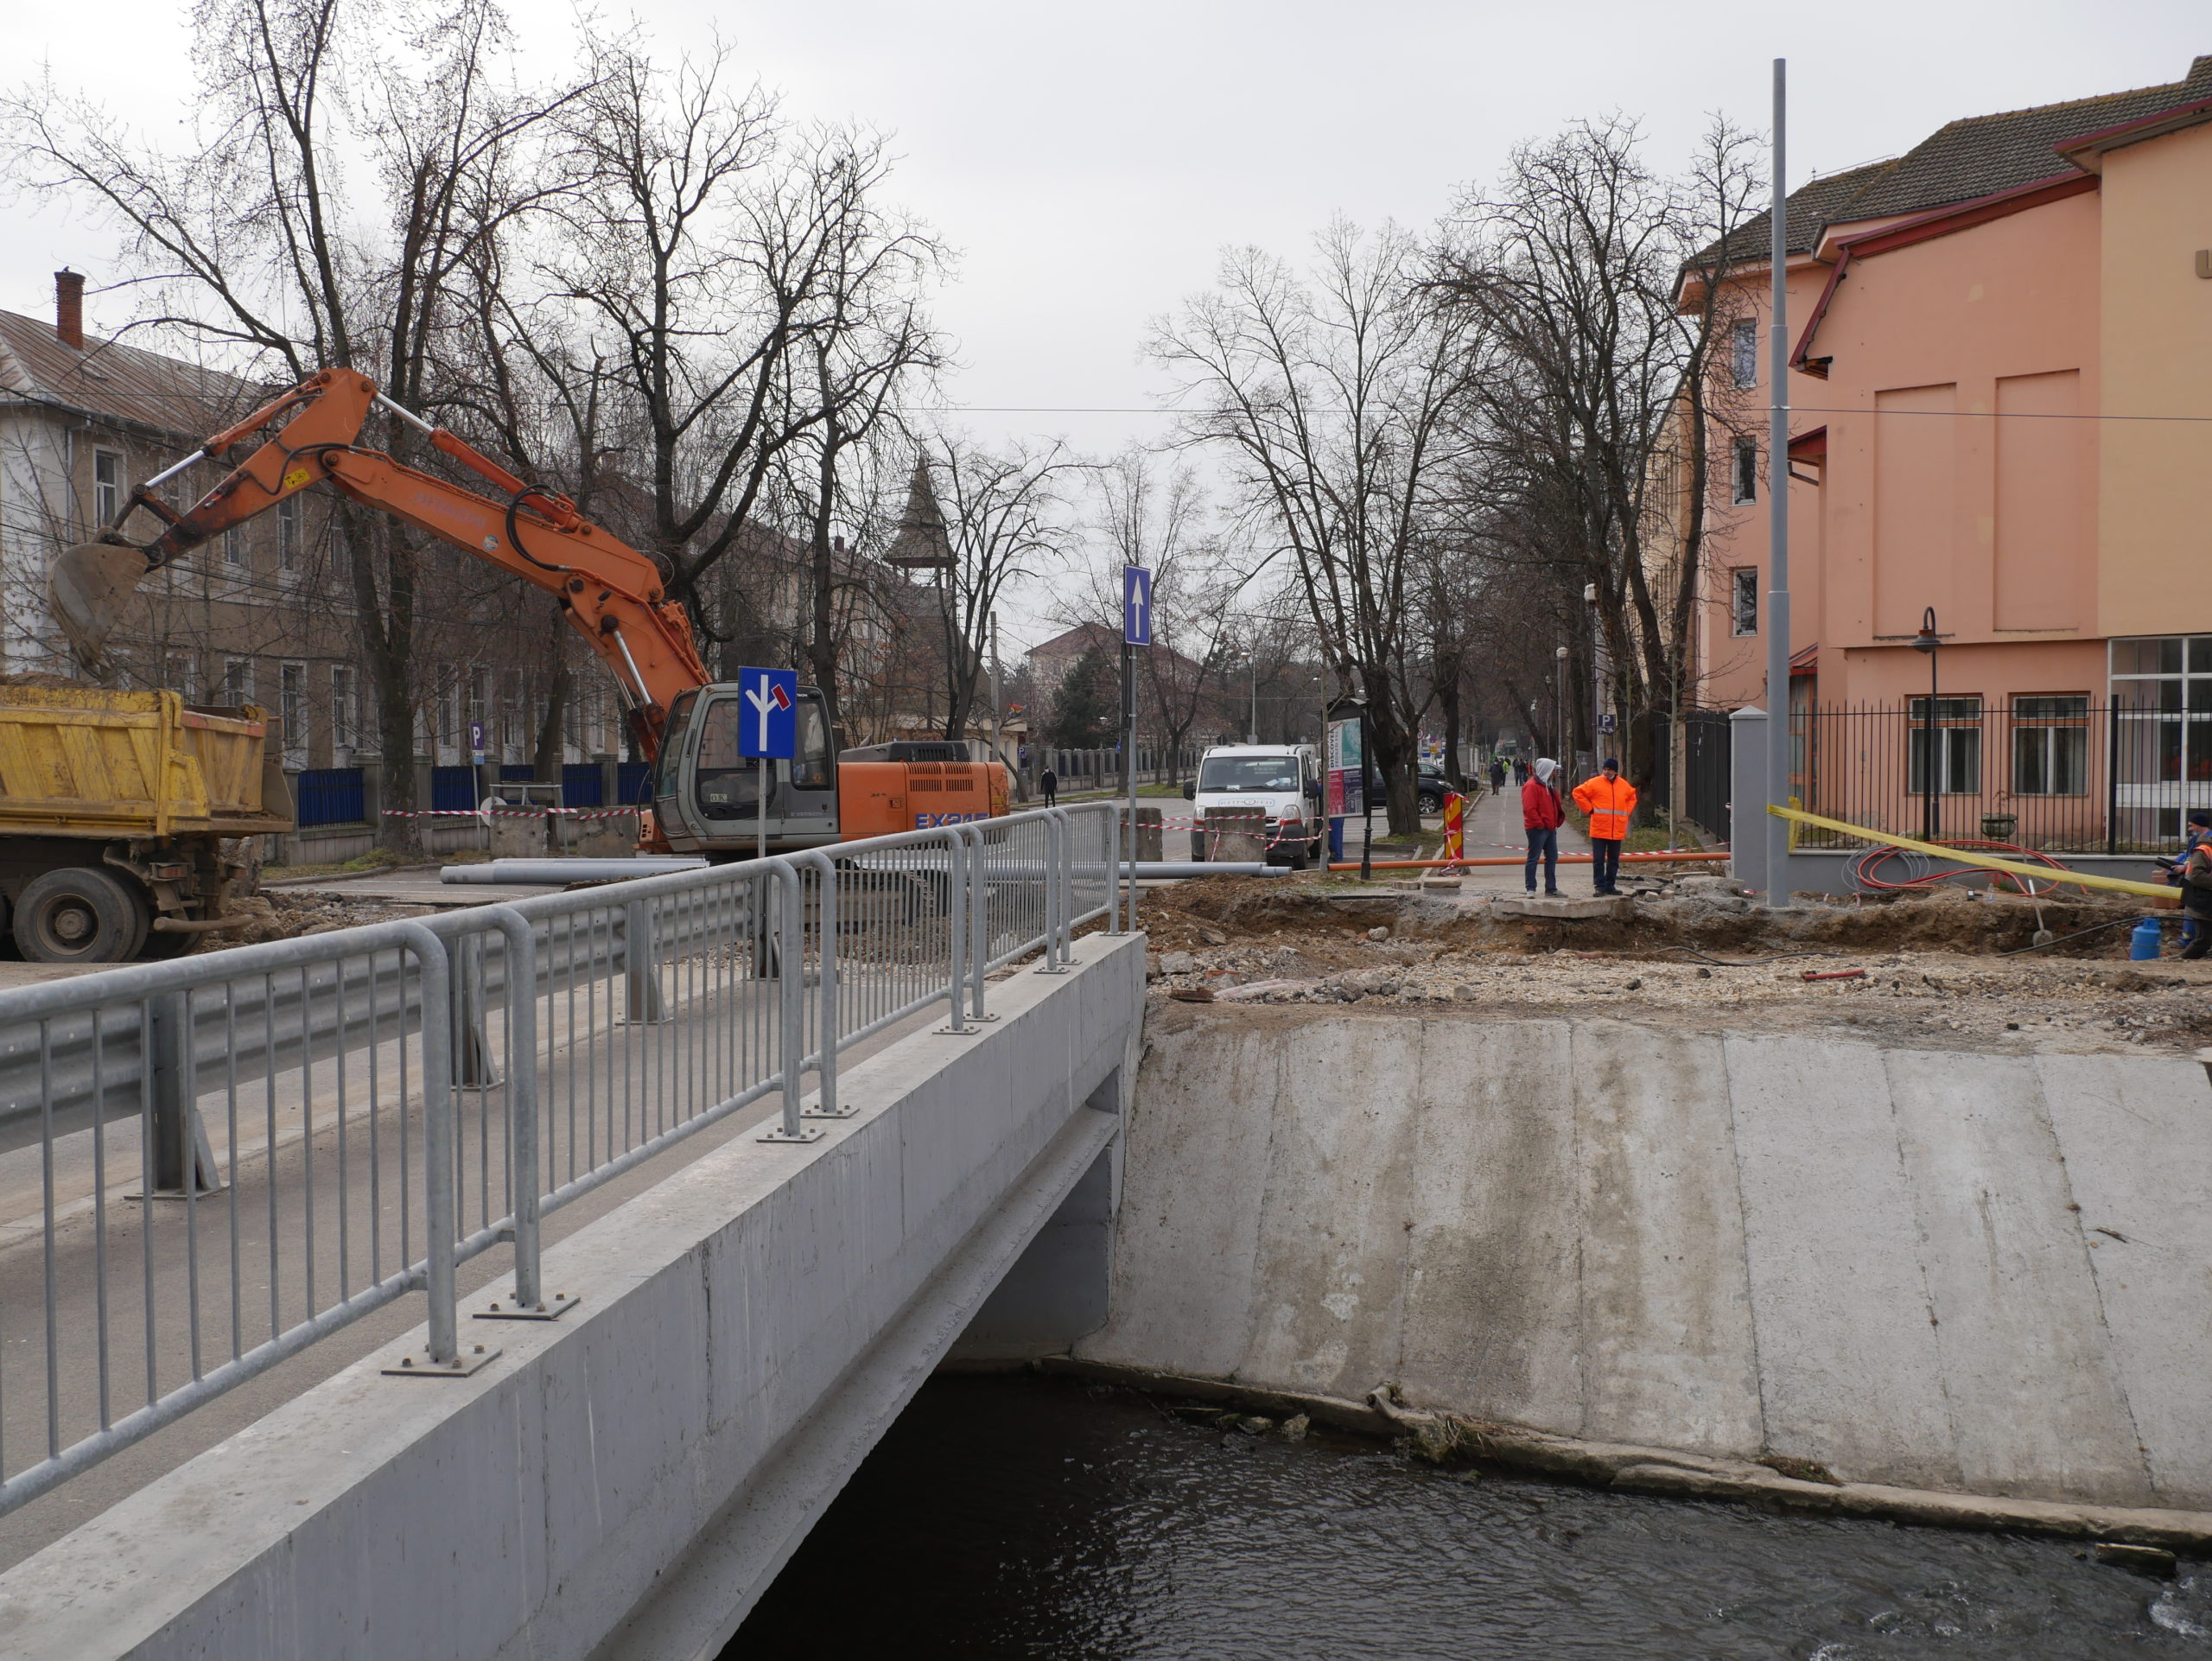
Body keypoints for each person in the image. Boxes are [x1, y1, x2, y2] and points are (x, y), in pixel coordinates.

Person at [1572, 756, 1638, 895]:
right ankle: (1599, 886)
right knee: (1599, 860)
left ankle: (1610, 885)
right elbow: (1577, 793)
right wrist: (1589, 809)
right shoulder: (1595, 783)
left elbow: (1632, 797)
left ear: (1615, 771)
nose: (1606, 772)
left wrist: (1626, 812)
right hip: (1599, 828)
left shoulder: (1623, 785)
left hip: (1616, 829)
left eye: (1610, 769)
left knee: (1614, 860)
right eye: (1605, 769)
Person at [1522, 757, 1564, 896]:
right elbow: (1529, 809)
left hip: (1549, 827)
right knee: (1533, 858)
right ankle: (1531, 888)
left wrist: (1555, 820)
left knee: (1552, 857)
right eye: (1553, 771)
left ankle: (1551, 888)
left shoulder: (1549, 786)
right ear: (1547, 771)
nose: (1555, 773)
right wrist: (1539, 823)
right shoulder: (1532, 786)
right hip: (1537, 828)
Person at [2182, 834, 2212, 960]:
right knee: (2204, 940)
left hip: (2206, 902)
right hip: (2202, 902)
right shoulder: (2203, 852)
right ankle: (2184, 961)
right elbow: (2196, 876)